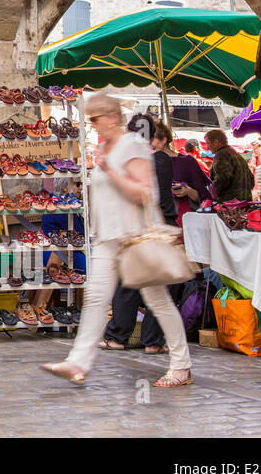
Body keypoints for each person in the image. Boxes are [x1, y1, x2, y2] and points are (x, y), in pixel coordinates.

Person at [42, 93, 192, 387]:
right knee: (97, 298)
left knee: (157, 301)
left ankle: (181, 364)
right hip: (106, 237)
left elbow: (144, 192)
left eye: (96, 119)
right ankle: (78, 362)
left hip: (134, 237)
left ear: (112, 117)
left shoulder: (132, 145)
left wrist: (110, 170)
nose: (93, 125)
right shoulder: (105, 148)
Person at [102, 117, 177, 354]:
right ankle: (152, 340)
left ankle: (118, 336)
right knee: (159, 284)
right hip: (156, 225)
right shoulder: (159, 159)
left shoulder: (129, 159)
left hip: (135, 225)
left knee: (130, 283)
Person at [205, 128, 253, 202]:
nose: (207, 147)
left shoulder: (221, 155)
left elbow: (222, 179)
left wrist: (210, 195)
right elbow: (251, 180)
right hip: (245, 202)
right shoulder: (236, 155)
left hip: (230, 205)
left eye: (208, 143)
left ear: (216, 142)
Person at [170, 138, 210, 219]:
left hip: (184, 212)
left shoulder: (188, 160)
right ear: (196, 149)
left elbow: (201, 191)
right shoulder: (193, 161)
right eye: (200, 148)